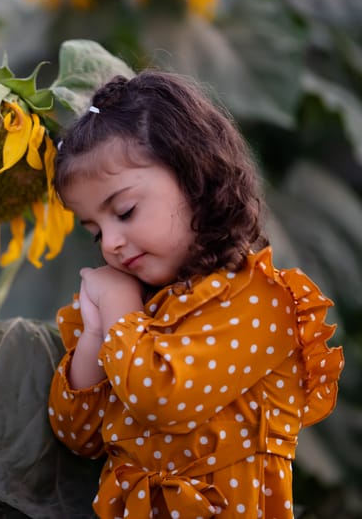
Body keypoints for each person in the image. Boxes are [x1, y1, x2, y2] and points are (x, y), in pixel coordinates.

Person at [47, 71, 344, 518]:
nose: (110, 244)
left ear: (194, 175)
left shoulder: (260, 300)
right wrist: (92, 335)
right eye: (95, 232)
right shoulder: (139, 312)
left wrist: (117, 309)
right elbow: (77, 433)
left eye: (124, 212)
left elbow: (162, 400)